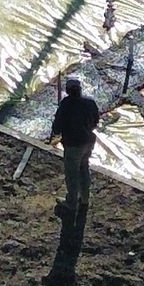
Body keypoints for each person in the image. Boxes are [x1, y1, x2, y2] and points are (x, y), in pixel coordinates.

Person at [48, 77, 100, 217]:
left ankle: (71, 203)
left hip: (73, 144)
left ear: (68, 91)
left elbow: (57, 128)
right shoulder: (90, 102)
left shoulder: (66, 104)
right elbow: (95, 122)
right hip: (88, 141)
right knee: (84, 168)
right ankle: (85, 198)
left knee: (72, 175)